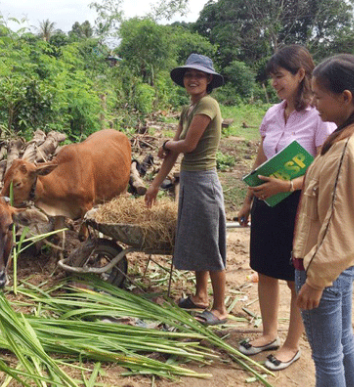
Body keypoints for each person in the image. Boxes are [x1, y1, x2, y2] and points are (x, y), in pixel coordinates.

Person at [236, 45, 336, 371]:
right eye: (273, 78)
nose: (275, 83)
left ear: (300, 74)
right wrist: (249, 198)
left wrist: (289, 185)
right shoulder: (271, 113)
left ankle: (292, 344)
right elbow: (262, 157)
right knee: (264, 268)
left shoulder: (320, 117)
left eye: (280, 76)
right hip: (267, 200)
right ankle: (268, 333)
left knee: (294, 275)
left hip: (298, 206)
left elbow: (325, 169)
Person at [294, 54, 354, 386]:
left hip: (325, 267)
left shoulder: (348, 148)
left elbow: (340, 223)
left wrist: (316, 281)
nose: (314, 102)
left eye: (319, 95)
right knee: (343, 342)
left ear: (344, 97)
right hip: (341, 265)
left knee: (327, 358)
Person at [144, 53, 228, 325]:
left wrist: (168, 143)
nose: (193, 79)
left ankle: (220, 308)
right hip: (190, 180)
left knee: (211, 244)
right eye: (189, 75)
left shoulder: (208, 104)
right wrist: (155, 185)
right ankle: (200, 296)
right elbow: (173, 151)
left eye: (199, 75)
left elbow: (187, 146)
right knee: (197, 240)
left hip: (204, 181)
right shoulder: (187, 109)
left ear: (209, 80)